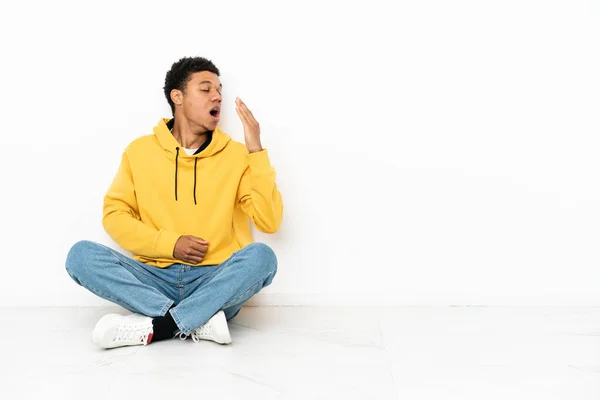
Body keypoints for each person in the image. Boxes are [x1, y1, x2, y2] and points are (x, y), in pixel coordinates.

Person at [65, 57, 283, 349]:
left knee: (262, 258)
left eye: (219, 90)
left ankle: (162, 326)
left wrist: (255, 150)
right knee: (80, 256)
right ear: (177, 97)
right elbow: (115, 216)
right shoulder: (139, 151)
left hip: (214, 281)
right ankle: (199, 320)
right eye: (206, 89)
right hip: (154, 279)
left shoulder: (237, 155)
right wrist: (170, 244)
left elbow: (269, 222)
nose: (217, 96)